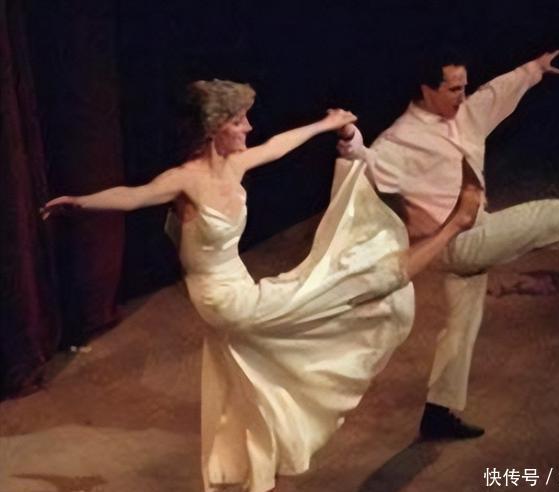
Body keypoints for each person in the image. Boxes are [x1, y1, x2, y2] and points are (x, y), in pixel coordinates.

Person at [42, 79, 474, 492]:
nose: (249, 127)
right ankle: (454, 225)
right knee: (352, 278)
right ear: (216, 128)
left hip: (241, 289)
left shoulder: (235, 164)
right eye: (239, 121)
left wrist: (325, 124)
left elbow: (278, 145)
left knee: (261, 382)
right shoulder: (185, 179)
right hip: (226, 300)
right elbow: (133, 195)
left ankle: (258, 472)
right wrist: (81, 203)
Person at [337, 49, 559, 440]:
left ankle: (438, 412)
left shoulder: (467, 114)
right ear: (426, 90)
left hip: (470, 234)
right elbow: (366, 161)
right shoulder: (401, 140)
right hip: (457, 243)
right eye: (453, 89)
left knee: (461, 327)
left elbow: (497, 92)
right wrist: (350, 140)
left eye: (464, 87)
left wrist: (534, 69)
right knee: (552, 215)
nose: (462, 96)